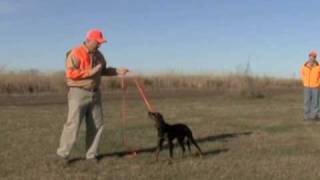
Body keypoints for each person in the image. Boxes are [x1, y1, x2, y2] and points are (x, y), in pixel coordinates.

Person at [56, 29, 129, 163]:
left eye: (101, 43)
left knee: (97, 124)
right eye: (98, 42)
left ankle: (91, 155)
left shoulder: (99, 55)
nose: (100, 45)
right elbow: (70, 74)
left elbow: (104, 70)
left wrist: (118, 71)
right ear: (90, 40)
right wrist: (91, 71)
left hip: (95, 93)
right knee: (73, 124)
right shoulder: (75, 53)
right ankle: (63, 155)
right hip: (78, 92)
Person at [301, 50, 320, 121]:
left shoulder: (318, 67)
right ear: (309, 57)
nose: (312, 58)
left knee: (315, 102)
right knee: (307, 102)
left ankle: (315, 116)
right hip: (307, 87)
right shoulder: (304, 66)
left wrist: (318, 83)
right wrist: (304, 82)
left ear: (315, 58)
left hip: (315, 87)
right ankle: (306, 117)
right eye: (311, 56)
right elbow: (302, 74)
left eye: (314, 57)